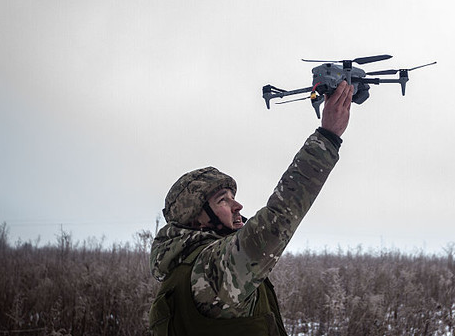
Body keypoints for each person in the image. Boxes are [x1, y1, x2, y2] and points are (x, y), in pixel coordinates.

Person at [148, 81, 355, 336]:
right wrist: (328, 137)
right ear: (197, 218)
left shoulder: (180, 274)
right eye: (223, 200)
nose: (238, 206)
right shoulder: (210, 272)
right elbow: (278, 218)